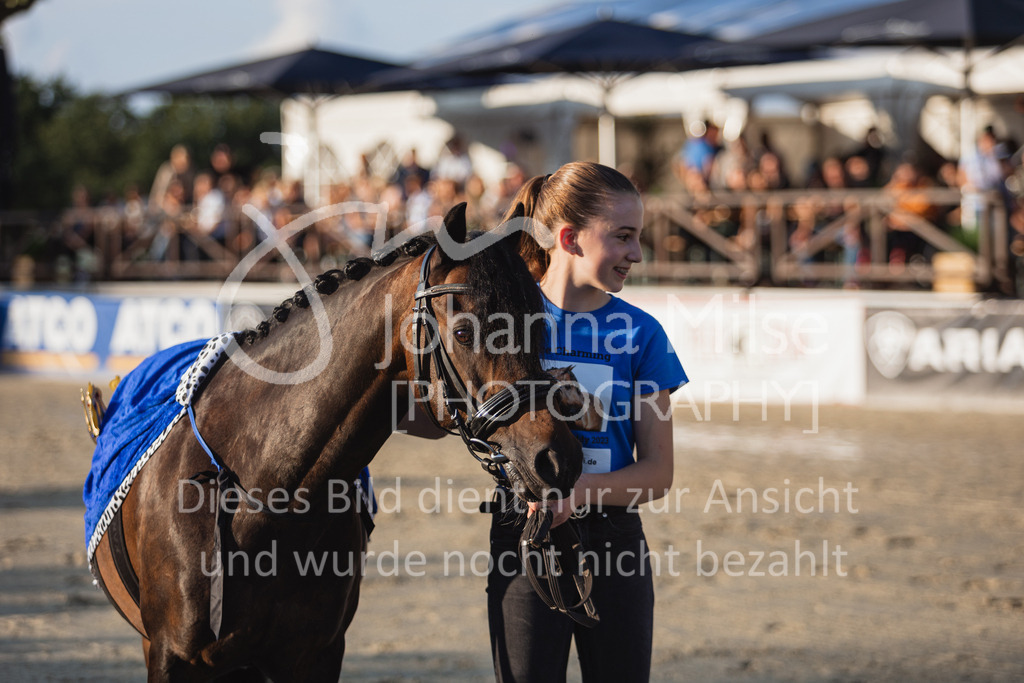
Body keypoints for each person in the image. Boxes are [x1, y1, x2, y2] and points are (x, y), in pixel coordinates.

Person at [487, 161, 688, 683]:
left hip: (616, 547)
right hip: (523, 538)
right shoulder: (503, 321)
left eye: (637, 237)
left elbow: (658, 473)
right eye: (623, 236)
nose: (636, 253)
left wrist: (580, 494)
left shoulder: (643, 334)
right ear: (570, 237)